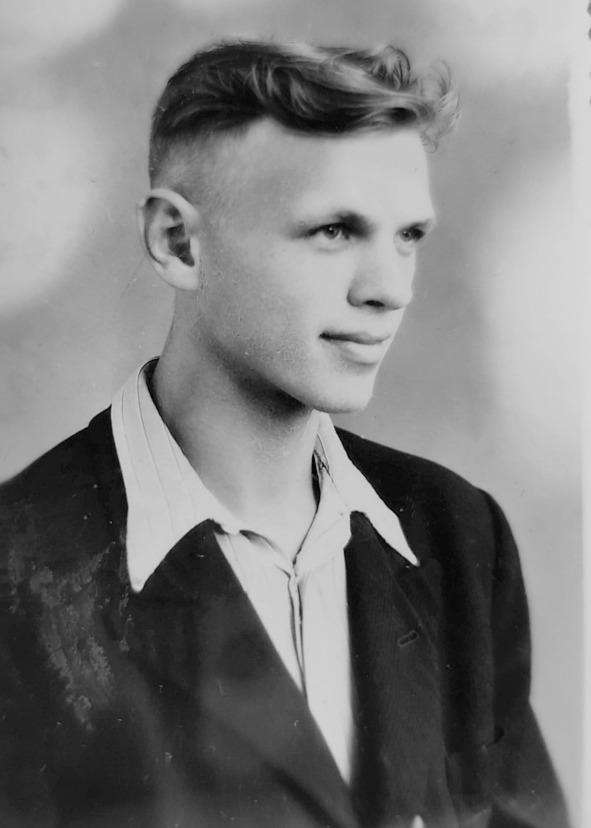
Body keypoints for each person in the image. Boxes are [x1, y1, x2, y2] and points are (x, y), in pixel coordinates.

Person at [0, 40, 570, 828]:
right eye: (333, 230)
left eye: (408, 236)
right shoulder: (19, 569)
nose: (388, 289)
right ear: (178, 243)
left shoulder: (456, 533)